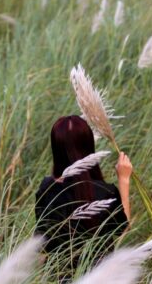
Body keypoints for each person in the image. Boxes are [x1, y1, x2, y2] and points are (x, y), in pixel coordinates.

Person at [35, 115, 132, 279]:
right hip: (101, 277)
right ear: (89, 147)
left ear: (56, 149)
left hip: (59, 278)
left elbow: (43, 242)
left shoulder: (47, 188)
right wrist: (124, 180)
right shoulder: (105, 192)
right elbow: (122, 227)